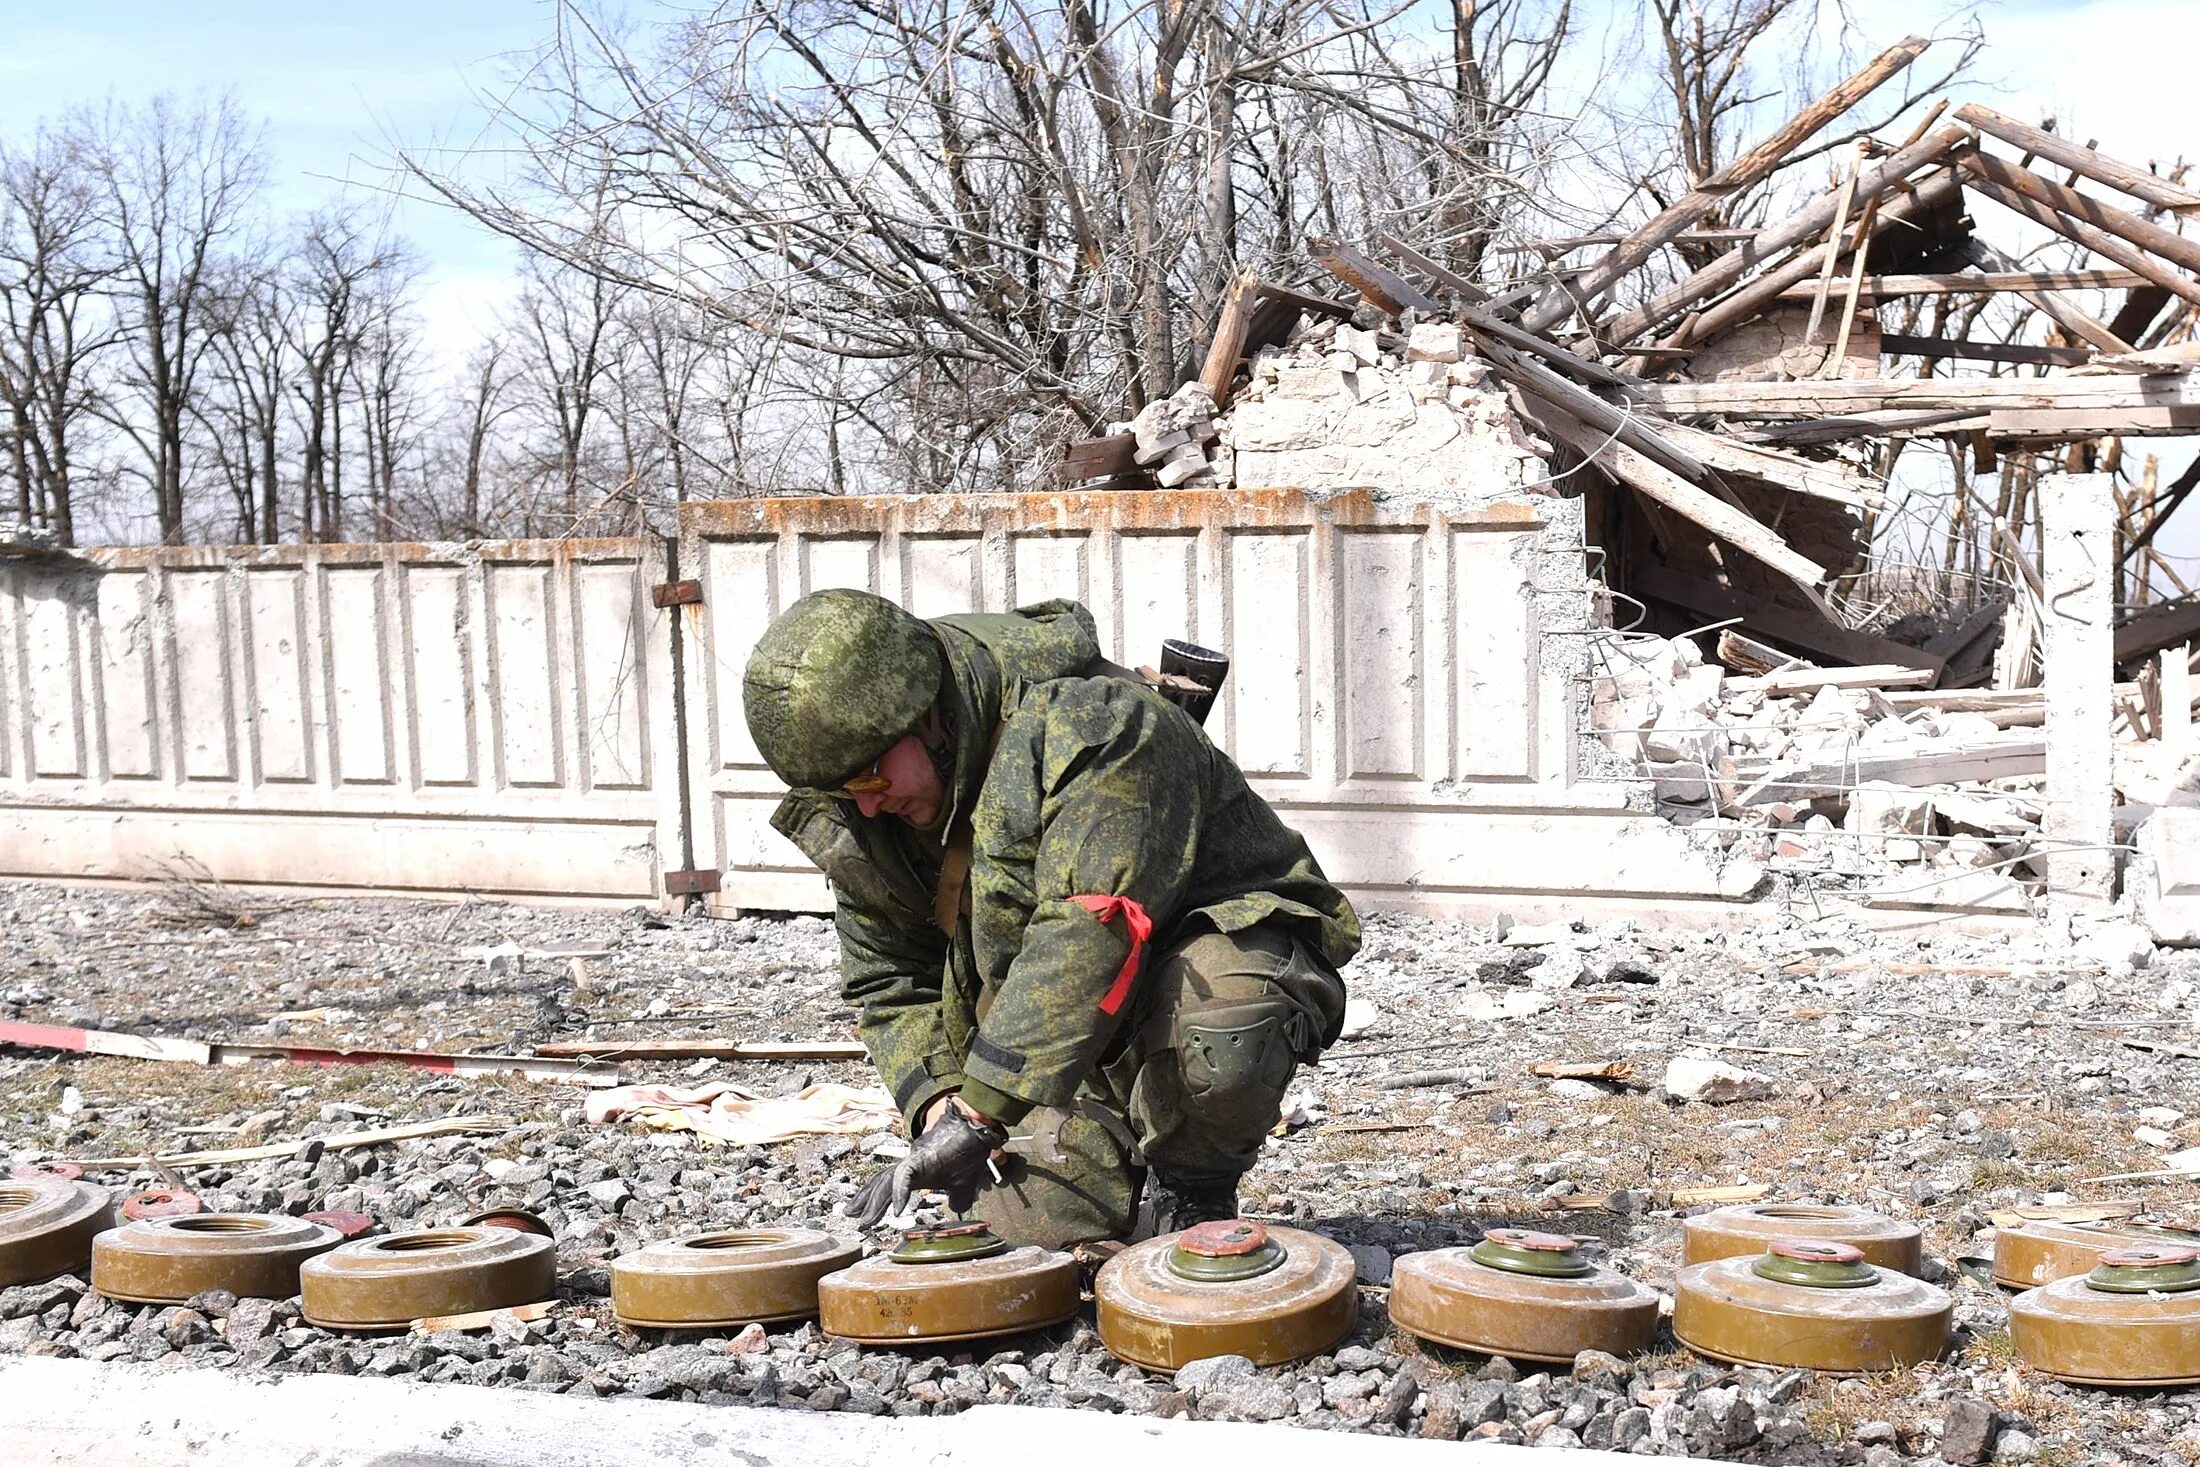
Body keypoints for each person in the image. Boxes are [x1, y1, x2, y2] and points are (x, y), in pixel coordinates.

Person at [742, 588, 1358, 1246]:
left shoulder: (1094, 722)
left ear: (926, 716)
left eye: (867, 780)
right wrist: (940, 1101)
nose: (863, 810)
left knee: (1227, 1027)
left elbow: (1094, 926)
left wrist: (981, 1113)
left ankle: (1192, 1185)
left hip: (1197, 963)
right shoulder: (871, 797)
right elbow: (889, 976)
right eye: (841, 793)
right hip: (1055, 1032)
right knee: (1028, 1236)